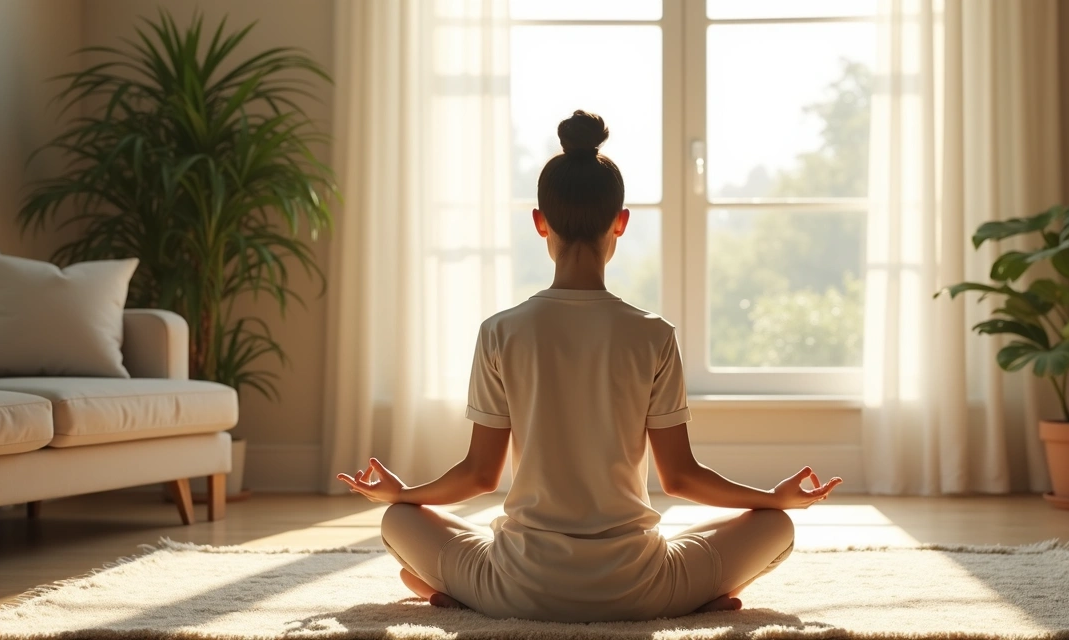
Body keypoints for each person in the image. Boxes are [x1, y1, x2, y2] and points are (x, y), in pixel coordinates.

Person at [337, 110, 842, 622]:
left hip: (518, 587)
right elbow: (682, 479)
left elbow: (479, 475)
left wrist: (403, 493)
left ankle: (455, 595)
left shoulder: (500, 332)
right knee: (776, 528)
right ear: (620, 222)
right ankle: (694, 601)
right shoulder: (654, 335)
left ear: (540, 222)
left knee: (400, 519)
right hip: (639, 589)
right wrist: (773, 500)